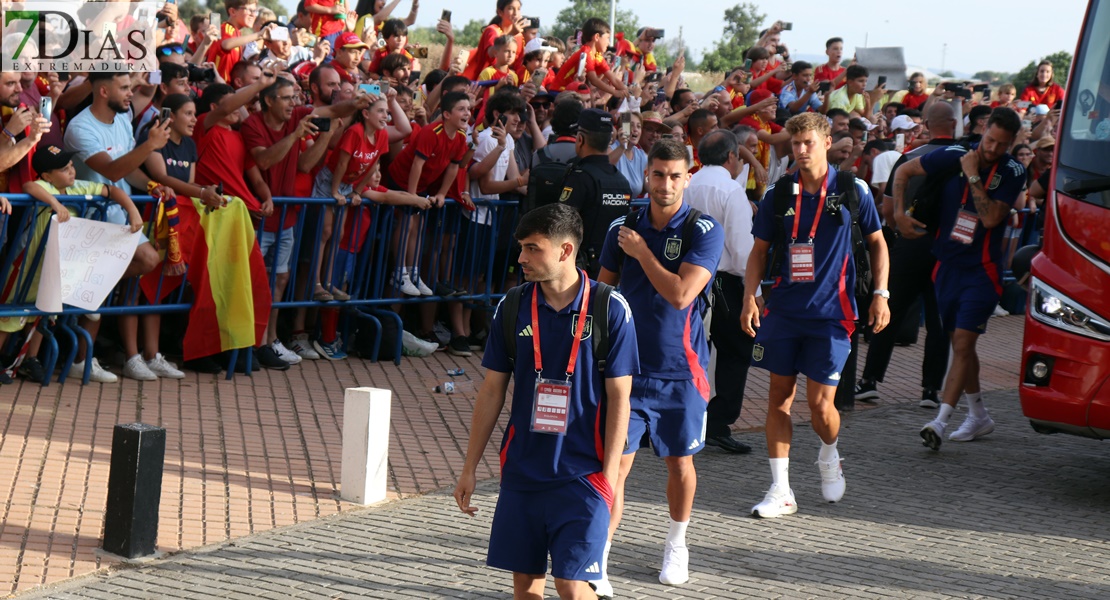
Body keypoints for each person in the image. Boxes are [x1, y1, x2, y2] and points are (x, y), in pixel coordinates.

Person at [453, 203, 638, 600]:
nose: (521, 258)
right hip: (523, 472)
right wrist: (469, 468)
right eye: (521, 247)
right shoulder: (513, 306)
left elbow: (620, 397)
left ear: (565, 251)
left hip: (583, 475)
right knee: (525, 585)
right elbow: (491, 391)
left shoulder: (610, 308)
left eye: (533, 248)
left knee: (571, 585)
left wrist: (609, 478)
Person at [740, 112, 890, 518]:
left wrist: (881, 294)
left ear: (827, 142)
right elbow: (757, 252)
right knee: (778, 399)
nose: (801, 150)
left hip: (833, 314)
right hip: (785, 311)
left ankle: (829, 452)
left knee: (821, 406)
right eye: (795, 143)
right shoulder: (779, 193)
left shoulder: (851, 189)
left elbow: (878, 244)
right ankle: (781, 489)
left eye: (808, 142)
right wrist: (749, 296)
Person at [597, 138, 724, 590]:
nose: (665, 184)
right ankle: (599, 559)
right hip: (625, 372)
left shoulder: (702, 229)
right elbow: (600, 295)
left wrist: (642, 253)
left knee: (679, 465)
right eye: (657, 174)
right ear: (645, 176)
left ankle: (676, 543)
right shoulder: (623, 225)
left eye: (674, 175)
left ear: (688, 177)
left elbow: (680, 294)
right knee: (614, 465)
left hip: (681, 372)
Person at [893, 108, 1026, 451]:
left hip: (982, 272)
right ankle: (979, 415)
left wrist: (972, 177)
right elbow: (904, 171)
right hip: (945, 267)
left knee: (964, 344)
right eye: (989, 139)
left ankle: (940, 421)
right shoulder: (953, 154)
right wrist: (897, 213)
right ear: (982, 130)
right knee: (962, 346)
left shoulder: (1012, 170)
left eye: (1002, 144)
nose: (993, 148)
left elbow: (993, 217)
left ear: (1012, 143)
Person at [63, 72, 167, 383]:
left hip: (118, 218)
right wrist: (150, 146)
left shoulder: (122, 119)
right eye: (124, 87)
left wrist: (151, 185)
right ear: (104, 90)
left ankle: (83, 286)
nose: (130, 92)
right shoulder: (80, 127)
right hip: (88, 223)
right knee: (106, 282)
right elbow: (110, 170)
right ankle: (81, 357)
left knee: (115, 277)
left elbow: (129, 167)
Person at [855, 102, 960, 408]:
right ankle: (930, 390)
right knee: (939, 320)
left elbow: (887, 209)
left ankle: (869, 381)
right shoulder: (969, 158)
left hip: (912, 243)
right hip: (950, 247)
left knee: (889, 310)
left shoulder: (910, 157)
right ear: (954, 123)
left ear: (925, 124)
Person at [684, 129, 756, 454]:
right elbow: (742, 249)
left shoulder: (689, 183)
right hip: (724, 281)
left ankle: (686, 419)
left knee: (691, 350)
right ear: (730, 157)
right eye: (739, 156)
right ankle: (718, 422)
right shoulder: (730, 189)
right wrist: (753, 290)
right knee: (736, 351)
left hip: (687, 278)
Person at [559, 108, 631, 277]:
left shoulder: (580, 177)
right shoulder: (622, 181)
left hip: (579, 267)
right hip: (611, 267)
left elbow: (562, 222)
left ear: (580, 139)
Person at [462, 0, 526, 81]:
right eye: (511, 8)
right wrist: (511, 34)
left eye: (518, 9)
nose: (515, 13)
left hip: (509, 80)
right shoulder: (493, 30)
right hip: (486, 80)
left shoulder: (519, 36)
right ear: (500, 12)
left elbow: (518, 65)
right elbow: (492, 54)